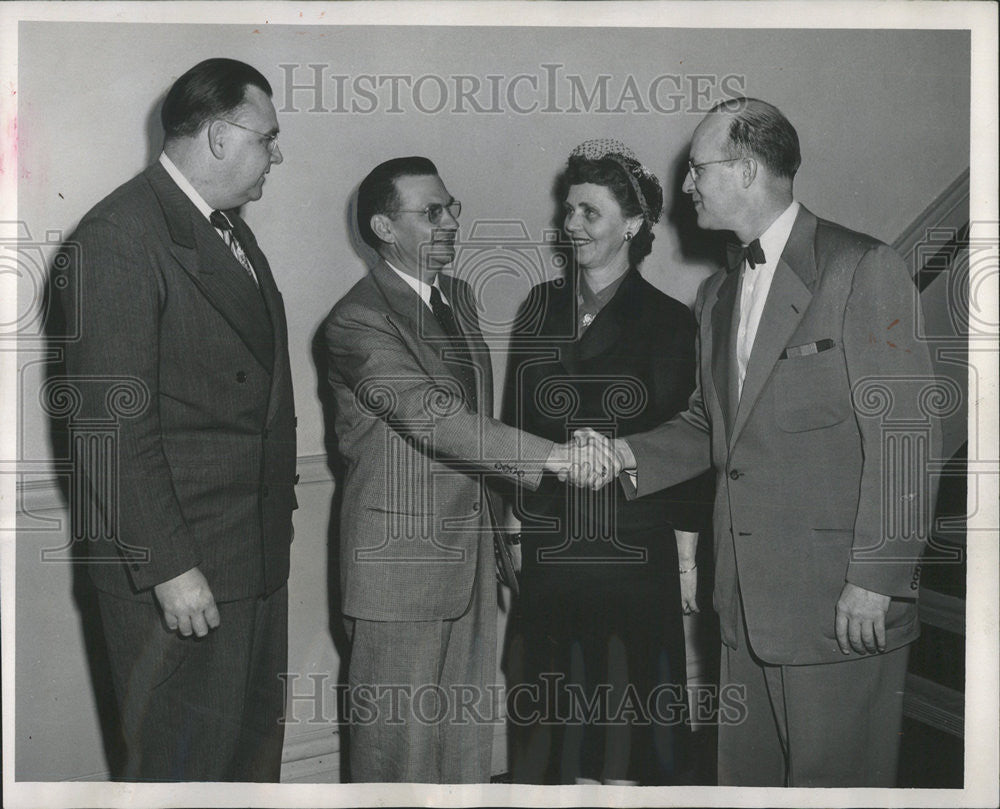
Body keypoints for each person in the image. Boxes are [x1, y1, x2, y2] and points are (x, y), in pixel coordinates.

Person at [576, 98, 940, 787]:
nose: (686, 186)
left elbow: (907, 439)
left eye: (697, 169)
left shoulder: (861, 267)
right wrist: (625, 453)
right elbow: (710, 425)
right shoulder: (716, 294)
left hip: (840, 603)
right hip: (742, 603)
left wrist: (876, 578)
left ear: (745, 171)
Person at [56, 58, 296, 781]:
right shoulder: (118, 237)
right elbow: (110, 428)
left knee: (248, 770)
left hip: (247, 563)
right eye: (267, 136)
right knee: (181, 776)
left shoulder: (228, 233)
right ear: (220, 136)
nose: (277, 154)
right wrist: (170, 568)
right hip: (180, 574)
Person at [323, 156, 589, 783]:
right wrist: (550, 458)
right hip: (399, 567)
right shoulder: (358, 320)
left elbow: (473, 426)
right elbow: (431, 414)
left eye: (452, 208)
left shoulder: (457, 298)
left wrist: (505, 532)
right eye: (430, 212)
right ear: (385, 228)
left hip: (467, 557)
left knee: (462, 744)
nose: (449, 223)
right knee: (399, 756)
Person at [502, 139, 711, 785]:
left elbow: (689, 442)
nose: (572, 226)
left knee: (625, 741)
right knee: (548, 731)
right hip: (550, 552)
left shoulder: (671, 322)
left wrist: (684, 559)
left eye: (590, 212)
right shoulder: (539, 308)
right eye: (569, 211)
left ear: (633, 224)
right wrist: (514, 526)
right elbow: (513, 427)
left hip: (630, 555)